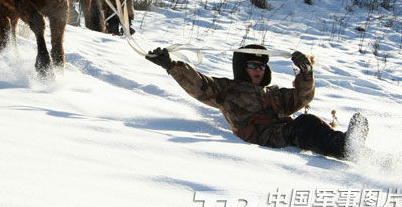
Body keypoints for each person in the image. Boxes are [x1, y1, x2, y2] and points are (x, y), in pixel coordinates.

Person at [145, 44, 372, 159]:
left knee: (307, 124)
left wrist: (306, 73)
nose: (258, 70)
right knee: (305, 125)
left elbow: (303, 97)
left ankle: (369, 155)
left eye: (262, 66)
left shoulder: (273, 93)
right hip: (265, 138)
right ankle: (347, 148)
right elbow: (199, 85)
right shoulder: (226, 90)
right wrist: (171, 66)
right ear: (242, 67)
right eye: (253, 65)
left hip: (286, 132)